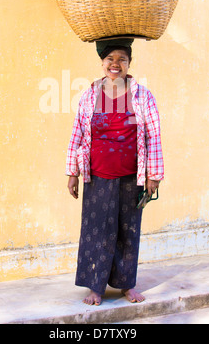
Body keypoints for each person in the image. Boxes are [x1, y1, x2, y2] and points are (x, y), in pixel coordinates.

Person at [66, 38, 164, 306]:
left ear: (129, 63)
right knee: (96, 231)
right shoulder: (89, 95)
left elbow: (153, 136)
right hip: (97, 177)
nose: (115, 64)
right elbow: (77, 133)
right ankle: (95, 287)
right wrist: (72, 172)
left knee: (127, 231)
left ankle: (126, 286)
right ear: (102, 63)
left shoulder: (142, 95)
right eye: (110, 59)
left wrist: (154, 175)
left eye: (122, 59)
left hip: (131, 177)